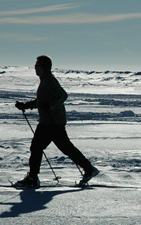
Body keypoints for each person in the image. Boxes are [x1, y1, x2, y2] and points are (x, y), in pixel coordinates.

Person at [14, 55, 99, 187]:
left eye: (37, 66)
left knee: (37, 147)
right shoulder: (45, 80)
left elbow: (63, 95)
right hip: (52, 122)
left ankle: (32, 178)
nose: (35, 68)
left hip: (51, 123)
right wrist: (26, 105)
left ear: (44, 67)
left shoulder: (49, 80)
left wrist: (51, 106)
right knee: (65, 148)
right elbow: (42, 102)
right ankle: (88, 169)